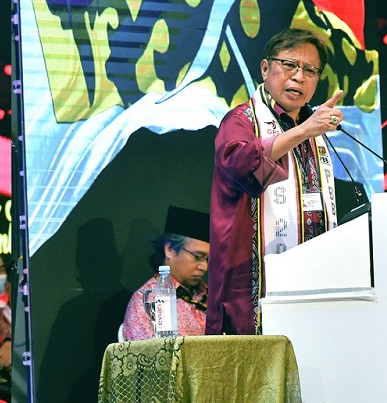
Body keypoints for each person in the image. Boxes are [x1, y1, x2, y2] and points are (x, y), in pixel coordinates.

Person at [208, 27, 343, 335]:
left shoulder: (312, 130)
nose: (299, 77)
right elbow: (240, 164)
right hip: (253, 286)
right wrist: (304, 130)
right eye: (289, 65)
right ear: (266, 68)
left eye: (310, 70)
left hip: (313, 283)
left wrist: (307, 129)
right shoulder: (241, 120)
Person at [122, 206, 210, 340]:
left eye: (208, 259)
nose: (204, 267)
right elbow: (151, 354)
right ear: (169, 250)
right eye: (197, 257)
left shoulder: (212, 297)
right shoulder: (147, 300)